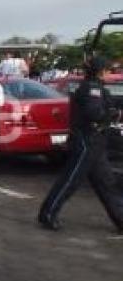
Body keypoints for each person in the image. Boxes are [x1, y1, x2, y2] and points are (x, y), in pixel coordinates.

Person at [37, 57, 123, 232]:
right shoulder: (92, 89)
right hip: (87, 140)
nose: (110, 73)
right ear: (100, 71)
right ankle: (48, 213)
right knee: (70, 180)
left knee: (107, 183)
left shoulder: (95, 87)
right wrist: (114, 114)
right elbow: (94, 113)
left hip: (95, 142)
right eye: (108, 70)